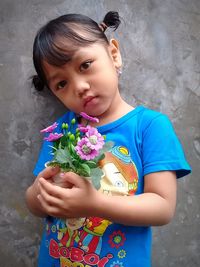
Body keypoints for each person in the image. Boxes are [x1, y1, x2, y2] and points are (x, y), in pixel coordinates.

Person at [25, 11, 191, 267]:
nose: (79, 86)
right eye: (61, 84)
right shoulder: (60, 132)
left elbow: (162, 207)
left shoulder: (149, 127)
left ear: (113, 54)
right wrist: (39, 194)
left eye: (85, 65)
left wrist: (95, 204)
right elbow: (36, 204)